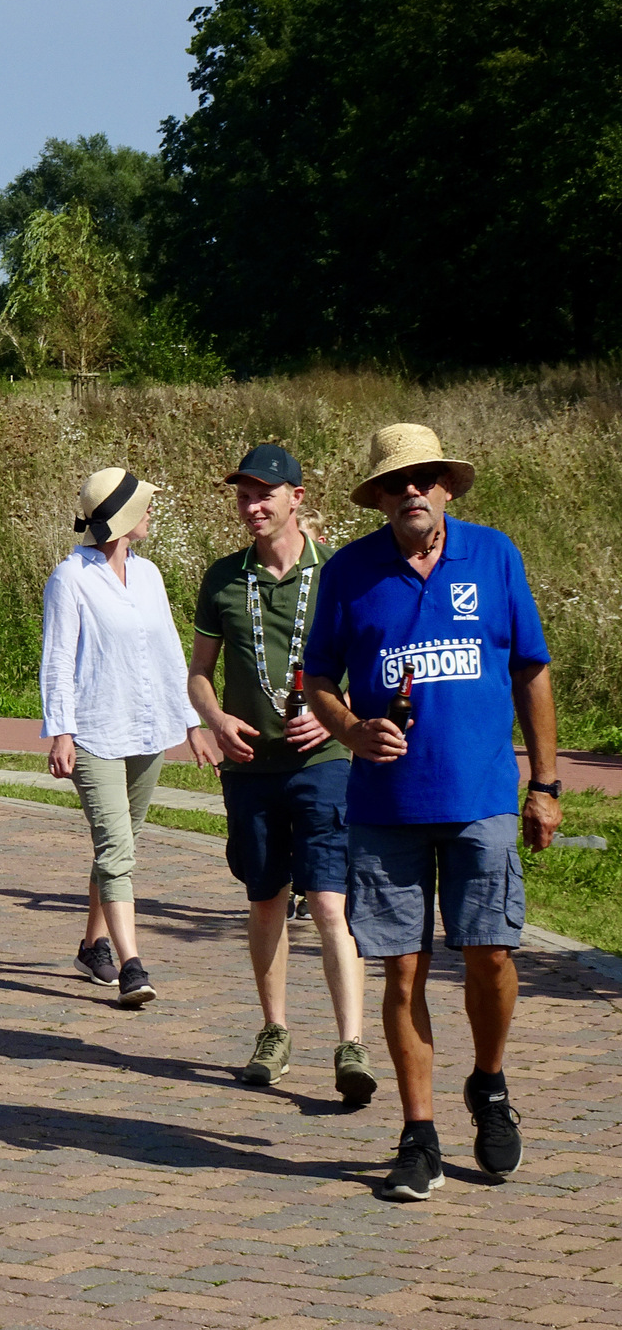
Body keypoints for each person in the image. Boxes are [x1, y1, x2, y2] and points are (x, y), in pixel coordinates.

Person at [302, 423, 558, 1201]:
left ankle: (488, 1082)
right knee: (402, 967)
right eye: (394, 482)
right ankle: (418, 1135)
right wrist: (351, 728)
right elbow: (317, 679)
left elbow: (531, 670)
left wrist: (544, 784)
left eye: (423, 477)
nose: (410, 490)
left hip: (480, 795)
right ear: (379, 497)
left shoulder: (494, 555)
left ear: (446, 485)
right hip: (385, 805)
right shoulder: (348, 572)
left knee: (490, 954)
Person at [187, 443, 373, 1103]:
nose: (252, 506)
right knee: (265, 897)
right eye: (243, 496)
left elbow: (370, 666)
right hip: (251, 767)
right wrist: (214, 718)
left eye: (264, 494)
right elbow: (198, 673)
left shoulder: (338, 572)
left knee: (327, 900)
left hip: (324, 763)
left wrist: (337, 716)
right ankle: (274, 1031)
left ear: (297, 497)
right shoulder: (222, 578)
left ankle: (351, 1043)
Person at [42, 466, 205, 1008]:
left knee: (120, 846)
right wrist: (61, 731)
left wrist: (192, 723)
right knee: (116, 850)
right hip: (95, 733)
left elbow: (171, 653)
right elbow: (57, 659)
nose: (151, 512)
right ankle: (132, 964)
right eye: (143, 505)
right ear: (121, 517)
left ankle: (93, 945)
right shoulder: (70, 578)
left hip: (147, 730)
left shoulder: (150, 574)